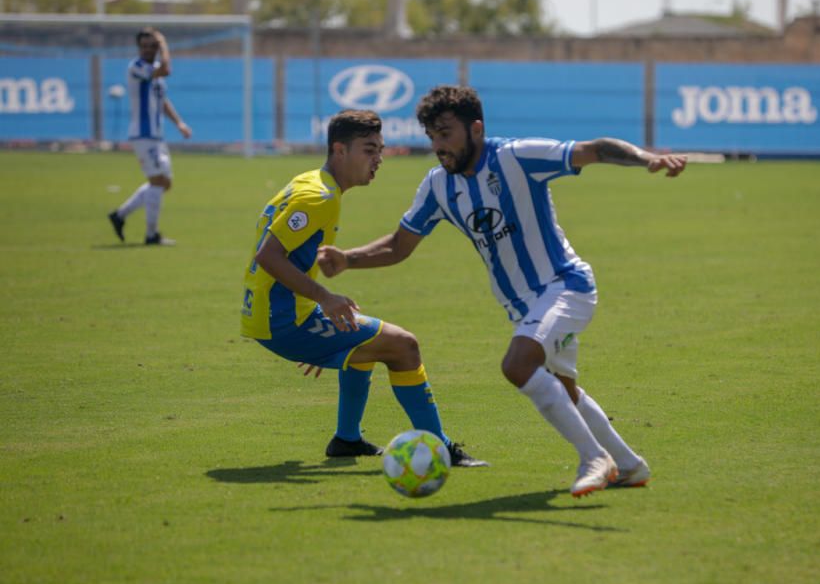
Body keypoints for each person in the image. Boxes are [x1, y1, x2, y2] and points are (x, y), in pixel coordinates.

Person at [320, 85, 686, 497]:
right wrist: (347, 259)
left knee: (517, 364)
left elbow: (595, 149)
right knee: (564, 390)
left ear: (476, 129)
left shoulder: (516, 156)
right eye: (432, 136)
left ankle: (594, 458)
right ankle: (630, 466)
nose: (438, 146)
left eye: (446, 134)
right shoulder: (439, 185)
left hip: (565, 286)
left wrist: (647, 159)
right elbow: (399, 245)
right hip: (522, 306)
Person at [240, 109, 487, 467]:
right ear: (339, 150)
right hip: (282, 320)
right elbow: (268, 256)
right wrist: (323, 300)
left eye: (380, 150)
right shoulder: (319, 197)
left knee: (364, 342)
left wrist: (319, 319)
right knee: (404, 345)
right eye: (369, 150)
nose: (379, 159)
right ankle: (441, 447)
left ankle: (347, 439)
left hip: (277, 314)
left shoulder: (311, 182)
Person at [108, 27, 191, 246]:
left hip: (156, 135)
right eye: (144, 46)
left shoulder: (154, 73)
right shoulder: (136, 67)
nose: (148, 50)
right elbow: (167, 69)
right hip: (143, 134)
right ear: (139, 48)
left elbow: (162, 102)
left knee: (165, 183)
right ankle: (151, 234)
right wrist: (163, 44)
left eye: (152, 46)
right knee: (157, 182)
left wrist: (179, 123)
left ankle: (120, 215)